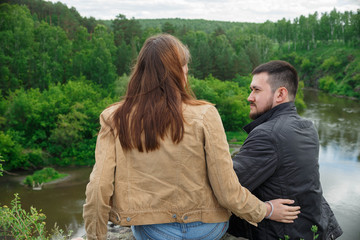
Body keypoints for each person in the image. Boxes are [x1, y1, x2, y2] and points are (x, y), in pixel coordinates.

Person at [78, 35, 300, 240]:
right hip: (208, 229)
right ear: (178, 72)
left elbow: (98, 188)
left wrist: (95, 236)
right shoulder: (205, 114)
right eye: (184, 67)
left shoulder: (115, 117)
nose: (187, 72)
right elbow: (226, 190)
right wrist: (266, 210)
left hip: (154, 230)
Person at [228, 60, 343, 239]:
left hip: (280, 233)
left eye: (256, 90)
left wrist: (266, 209)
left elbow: (227, 186)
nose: (249, 97)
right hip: (314, 229)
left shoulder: (268, 135)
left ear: (280, 94)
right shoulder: (307, 127)